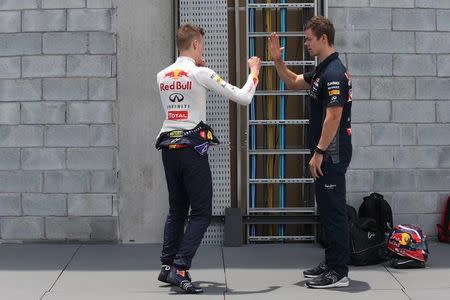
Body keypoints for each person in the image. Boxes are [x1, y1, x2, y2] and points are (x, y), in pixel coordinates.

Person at [155, 23, 261, 294]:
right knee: (201, 212)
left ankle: (167, 266)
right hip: (191, 150)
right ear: (195, 45)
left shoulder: (162, 75)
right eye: (201, 44)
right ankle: (180, 268)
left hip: (168, 148)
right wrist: (254, 72)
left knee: (177, 209)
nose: (203, 48)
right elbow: (243, 97)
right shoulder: (201, 72)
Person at [268, 16, 353, 289]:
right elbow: (293, 82)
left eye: (308, 39)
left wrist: (318, 151)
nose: (305, 43)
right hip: (324, 154)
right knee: (327, 211)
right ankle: (331, 262)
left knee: (335, 211)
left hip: (330, 154)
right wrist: (277, 61)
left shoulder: (334, 74)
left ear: (323, 38)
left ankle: (339, 272)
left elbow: (334, 116)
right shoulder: (321, 71)